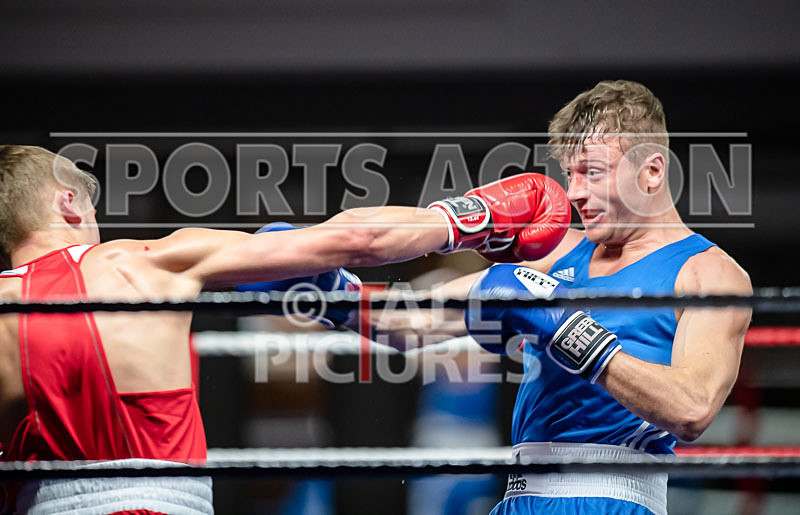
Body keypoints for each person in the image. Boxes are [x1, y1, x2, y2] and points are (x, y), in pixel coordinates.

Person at [0, 144, 566, 514]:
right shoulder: (139, 262)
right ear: (68, 204)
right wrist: (472, 216)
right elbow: (359, 241)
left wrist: (341, 301)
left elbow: (401, 323)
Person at [377, 80, 752, 515]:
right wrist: (326, 288)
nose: (573, 193)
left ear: (651, 171)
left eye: (592, 172)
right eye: (569, 174)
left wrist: (569, 332)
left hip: (614, 500)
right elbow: (413, 320)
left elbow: (692, 409)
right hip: (518, 498)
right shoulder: (555, 255)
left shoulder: (708, 273)